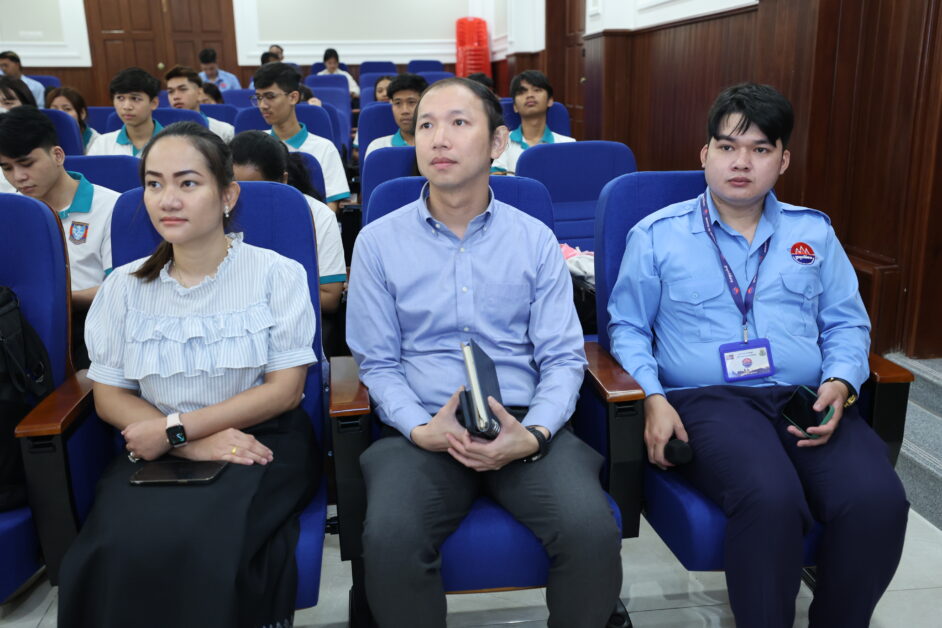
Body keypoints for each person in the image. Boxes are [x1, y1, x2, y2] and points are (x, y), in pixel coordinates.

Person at [607, 83, 909, 628]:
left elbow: (847, 321)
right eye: (727, 147)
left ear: (782, 160)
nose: (741, 162)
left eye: (760, 149)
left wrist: (842, 381)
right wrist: (652, 396)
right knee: (770, 497)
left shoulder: (812, 232)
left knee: (877, 500)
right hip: (709, 401)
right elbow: (627, 328)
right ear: (705, 154)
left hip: (804, 397)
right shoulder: (657, 235)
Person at [346, 77, 622, 627]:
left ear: (497, 142)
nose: (438, 138)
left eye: (458, 123)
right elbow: (377, 362)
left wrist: (536, 432)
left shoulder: (533, 239)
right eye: (426, 125)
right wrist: (418, 428)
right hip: (425, 428)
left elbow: (563, 357)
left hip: (522, 420)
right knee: (391, 537)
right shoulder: (377, 242)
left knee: (590, 529)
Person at [57, 121, 320, 628]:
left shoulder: (276, 274)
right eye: (154, 184)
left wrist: (178, 431)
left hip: (259, 444)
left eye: (188, 183)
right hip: (158, 447)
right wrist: (185, 441)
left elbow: (285, 392)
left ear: (227, 195)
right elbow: (110, 396)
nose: (168, 200)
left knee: (204, 546)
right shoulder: (124, 287)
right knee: (110, 550)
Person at [0, 106, 118, 368]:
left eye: (27, 164)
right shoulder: (10, 212)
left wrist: (60, 299)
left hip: (91, 324)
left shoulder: (111, 207)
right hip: (18, 327)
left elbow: (121, 289)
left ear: (57, 155)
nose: (18, 177)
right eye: (7, 168)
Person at [230, 130, 346, 319]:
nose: (242, 197)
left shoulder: (317, 214)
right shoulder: (214, 213)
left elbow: (329, 298)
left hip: (296, 319)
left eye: (256, 190)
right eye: (233, 187)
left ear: (283, 181)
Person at [252, 62, 350, 212]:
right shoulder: (254, 145)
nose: (262, 105)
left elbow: (332, 205)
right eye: (259, 97)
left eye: (270, 96)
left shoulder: (324, 148)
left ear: (293, 97)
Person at [490, 70, 574, 175]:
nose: (529, 95)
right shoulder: (502, 144)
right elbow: (497, 181)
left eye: (537, 90)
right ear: (515, 106)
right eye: (522, 92)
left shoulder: (568, 144)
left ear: (550, 100)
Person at [88, 67, 162, 157]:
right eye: (120, 98)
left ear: (154, 103)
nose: (126, 107)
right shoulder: (102, 144)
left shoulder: (174, 142)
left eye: (135, 98)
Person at [363, 73, 427, 160]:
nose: (405, 111)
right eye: (398, 103)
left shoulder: (438, 145)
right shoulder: (377, 149)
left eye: (411, 102)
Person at [165, 65, 235, 142]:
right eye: (170, 92)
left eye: (183, 89)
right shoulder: (162, 132)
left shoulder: (224, 132)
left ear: (199, 93)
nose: (175, 97)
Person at [352, 75, 394, 161]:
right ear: (375, 95)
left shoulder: (406, 115)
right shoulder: (367, 116)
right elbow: (355, 152)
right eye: (380, 91)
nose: (384, 94)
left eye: (389, 90)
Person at [46, 86, 100, 153]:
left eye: (67, 109)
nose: (60, 114)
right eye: (54, 109)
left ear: (82, 113)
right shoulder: (41, 140)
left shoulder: (97, 141)